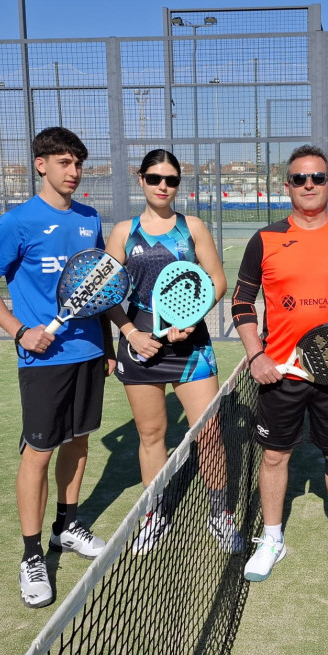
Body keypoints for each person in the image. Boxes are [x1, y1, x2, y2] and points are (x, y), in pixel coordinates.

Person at [0, 127, 116, 609]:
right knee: (39, 452)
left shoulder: (89, 218)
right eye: (64, 163)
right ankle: (32, 554)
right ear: (41, 164)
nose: (74, 172)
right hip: (44, 361)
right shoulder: (17, 222)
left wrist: (108, 343)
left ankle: (66, 526)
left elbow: (96, 287)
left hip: (89, 352)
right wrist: (20, 331)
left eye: (78, 164)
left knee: (79, 441)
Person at [232, 144, 328, 584]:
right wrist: (256, 354)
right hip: (279, 372)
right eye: (299, 178)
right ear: (287, 186)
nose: (309, 185)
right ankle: (272, 539)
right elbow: (242, 302)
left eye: (317, 177)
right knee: (274, 456)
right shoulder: (264, 240)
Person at [105, 149, 241, 555]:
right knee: (151, 435)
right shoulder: (123, 232)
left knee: (209, 433)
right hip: (140, 347)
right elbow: (106, 294)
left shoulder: (192, 227)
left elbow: (217, 281)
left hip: (191, 346)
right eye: (154, 178)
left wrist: (192, 319)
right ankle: (154, 514)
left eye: (171, 180)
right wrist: (131, 333)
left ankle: (219, 514)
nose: (163, 186)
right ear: (141, 180)